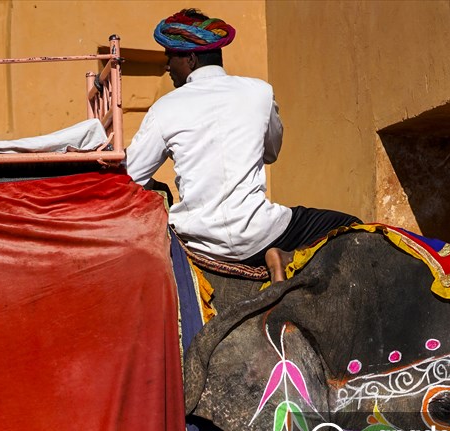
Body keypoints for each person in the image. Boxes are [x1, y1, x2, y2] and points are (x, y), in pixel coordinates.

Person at [125, 9, 362, 283]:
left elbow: (131, 177)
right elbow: (271, 153)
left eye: (170, 57)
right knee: (350, 226)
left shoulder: (164, 108)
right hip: (261, 232)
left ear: (191, 59)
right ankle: (287, 257)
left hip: (199, 240)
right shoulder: (260, 92)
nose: (167, 66)